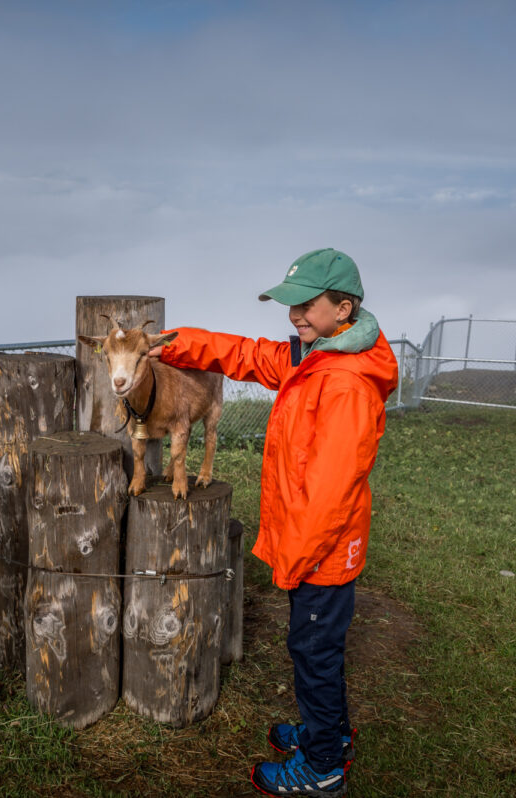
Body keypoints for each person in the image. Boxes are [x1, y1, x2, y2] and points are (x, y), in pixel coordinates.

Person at [150, 249, 398, 796]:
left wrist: (294, 563)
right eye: (291, 307)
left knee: (313, 654)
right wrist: (176, 343)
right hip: (315, 548)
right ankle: (326, 733)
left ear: (344, 307)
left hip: (322, 553)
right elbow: (247, 355)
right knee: (316, 651)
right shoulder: (316, 355)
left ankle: (323, 765)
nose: (295, 317)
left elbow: (331, 495)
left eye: (307, 306)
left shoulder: (346, 383)